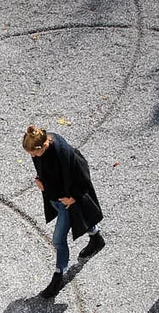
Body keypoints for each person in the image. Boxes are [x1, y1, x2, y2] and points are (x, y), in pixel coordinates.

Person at [24, 126, 106, 300]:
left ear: (43, 146)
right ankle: (96, 237)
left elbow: (83, 175)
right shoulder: (41, 149)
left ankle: (59, 275)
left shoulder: (63, 152)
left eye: (33, 153)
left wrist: (74, 198)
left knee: (58, 240)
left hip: (66, 203)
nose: (32, 157)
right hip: (57, 199)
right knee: (79, 218)